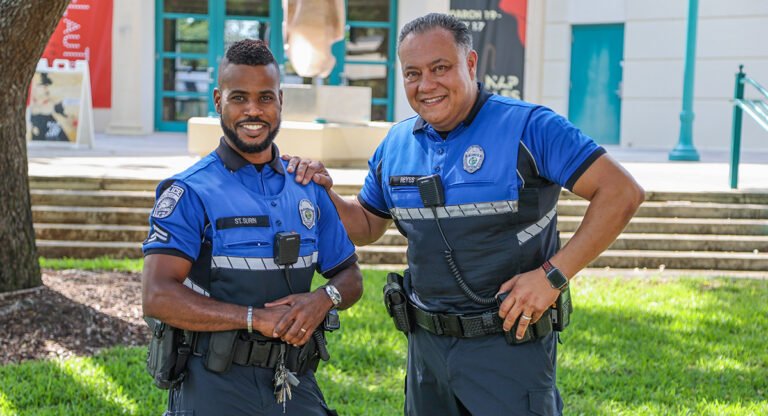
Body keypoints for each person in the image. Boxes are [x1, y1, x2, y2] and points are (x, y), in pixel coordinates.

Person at [285, 13, 644, 416]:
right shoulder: (396, 143)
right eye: (413, 73)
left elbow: (621, 192)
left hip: (509, 347)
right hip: (426, 352)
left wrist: (552, 276)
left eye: (440, 68)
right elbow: (367, 226)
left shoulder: (530, 126)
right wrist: (325, 191)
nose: (426, 85)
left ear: (470, 64)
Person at [141, 39, 363, 416]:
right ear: (217, 100)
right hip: (214, 386)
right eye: (239, 98)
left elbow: (351, 276)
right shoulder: (190, 192)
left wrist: (322, 300)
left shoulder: (307, 187)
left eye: (265, 98)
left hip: (294, 384)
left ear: (280, 101)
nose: (253, 111)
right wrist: (253, 318)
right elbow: (157, 295)